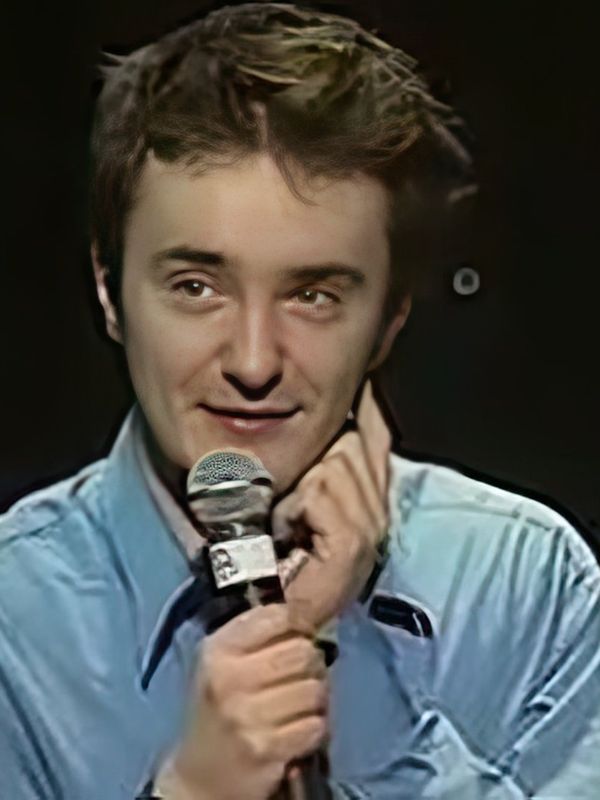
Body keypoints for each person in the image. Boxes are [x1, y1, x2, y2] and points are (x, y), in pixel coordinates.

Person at [1, 3, 599, 798]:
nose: (253, 361)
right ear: (110, 294)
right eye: (196, 287)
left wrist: (357, 683)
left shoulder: (525, 584)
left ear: (388, 322)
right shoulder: (12, 619)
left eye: (313, 295)